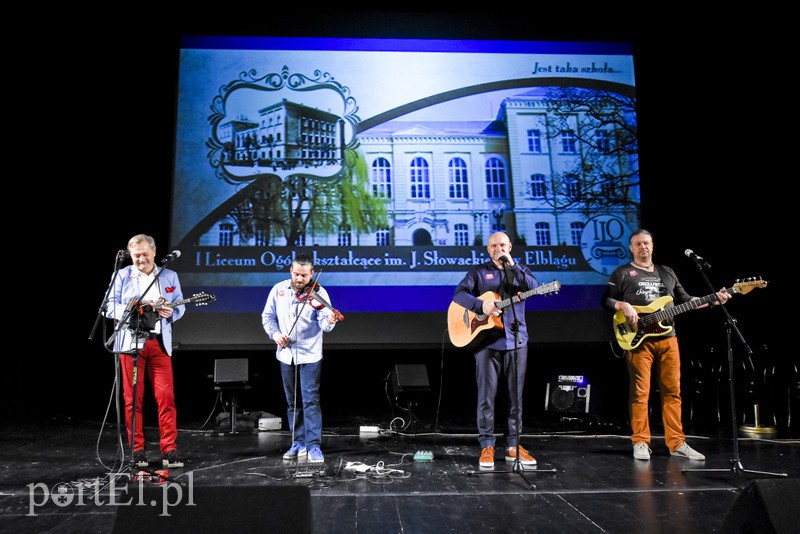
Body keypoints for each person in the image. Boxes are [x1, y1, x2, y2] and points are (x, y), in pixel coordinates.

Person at [601, 228, 730, 461]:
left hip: (669, 339)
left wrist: (714, 300)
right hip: (638, 341)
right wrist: (623, 306)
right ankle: (640, 441)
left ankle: (677, 443)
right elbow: (606, 300)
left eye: (647, 243)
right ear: (631, 248)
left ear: (652, 245)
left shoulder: (667, 272)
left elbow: (686, 301)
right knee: (641, 393)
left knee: (673, 392)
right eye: (638, 244)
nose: (643, 247)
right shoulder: (622, 273)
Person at [452, 231, 540, 469]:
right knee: (486, 397)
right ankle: (487, 445)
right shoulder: (478, 272)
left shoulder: (521, 271)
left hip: (517, 341)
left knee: (516, 398)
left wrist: (513, 266)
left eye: (502, 245)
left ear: (510, 247)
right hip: (486, 343)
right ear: (488, 249)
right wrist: (482, 304)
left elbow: (535, 287)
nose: (498, 248)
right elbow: (459, 295)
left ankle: (514, 445)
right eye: (493, 246)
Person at [107, 234, 186, 468]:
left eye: (144, 254)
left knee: (166, 398)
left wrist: (172, 312)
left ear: (153, 251)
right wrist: (132, 309)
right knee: (133, 400)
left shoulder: (169, 275)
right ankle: (137, 450)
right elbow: (108, 306)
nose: (140, 259)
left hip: (159, 343)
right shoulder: (121, 276)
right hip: (131, 345)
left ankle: (170, 449)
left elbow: (179, 305)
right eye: (135, 255)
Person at [262, 254, 339, 463]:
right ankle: (298, 442)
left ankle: (314, 446)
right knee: (292, 402)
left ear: (311, 274)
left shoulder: (319, 293)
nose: (300, 279)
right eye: (296, 274)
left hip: (310, 354)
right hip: (286, 355)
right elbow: (267, 317)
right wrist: (276, 335)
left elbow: (325, 324)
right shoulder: (278, 290)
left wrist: (330, 319)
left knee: (310, 401)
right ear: (291, 271)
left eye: (304, 276)